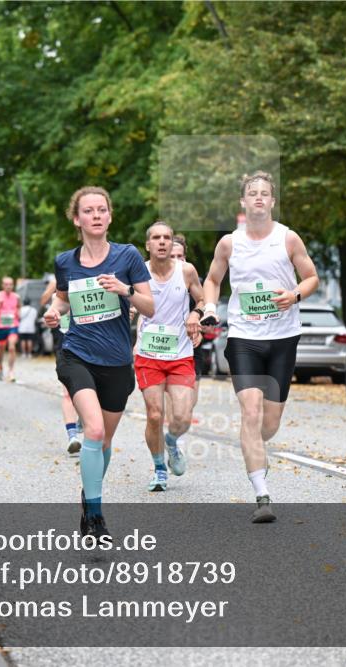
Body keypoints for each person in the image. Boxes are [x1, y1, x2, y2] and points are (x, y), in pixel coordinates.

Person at [202, 171, 319, 523]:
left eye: (264, 193)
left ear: (272, 201)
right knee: (250, 413)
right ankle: (261, 494)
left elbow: (311, 277)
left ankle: (256, 444)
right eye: (251, 192)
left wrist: (294, 295)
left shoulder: (288, 238)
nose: (258, 197)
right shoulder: (229, 243)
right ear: (243, 201)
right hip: (244, 337)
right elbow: (212, 280)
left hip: (283, 337)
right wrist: (210, 307)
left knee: (269, 423)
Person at [44, 185, 154, 538]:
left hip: (117, 361)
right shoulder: (66, 261)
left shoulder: (127, 256)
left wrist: (125, 290)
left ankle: (87, 496)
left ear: (109, 216)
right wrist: (53, 312)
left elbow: (151, 307)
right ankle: (94, 515)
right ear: (77, 219)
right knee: (92, 430)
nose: (96, 216)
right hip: (77, 354)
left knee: (103, 443)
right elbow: (62, 299)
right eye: (88, 211)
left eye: (101, 210)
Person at [135, 222, 205, 492]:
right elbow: (131, 301)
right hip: (148, 354)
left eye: (166, 237)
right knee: (154, 415)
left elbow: (202, 300)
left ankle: (172, 442)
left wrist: (195, 314)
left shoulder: (186, 271)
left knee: (183, 417)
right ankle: (159, 469)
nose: (162, 241)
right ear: (148, 244)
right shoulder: (138, 272)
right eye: (156, 237)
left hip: (180, 354)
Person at [41, 277, 82, 454]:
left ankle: (83, 419)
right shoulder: (56, 284)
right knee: (67, 392)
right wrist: (54, 286)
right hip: (64, 343)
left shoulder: (87, 278)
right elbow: (43, 302)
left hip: (86, 343)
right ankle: (72, 436)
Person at [170, 234, 205, 412]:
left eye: (180, 256)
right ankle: (169, 428)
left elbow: (204, 305)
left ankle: (176, 427)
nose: (177, 260)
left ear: (185, 257)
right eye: (172, 256)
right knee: (172, 404)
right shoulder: (154, 278)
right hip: (164, 346)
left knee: (190, 402)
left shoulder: (193, 279)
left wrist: (200, 328)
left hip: (191, 346)